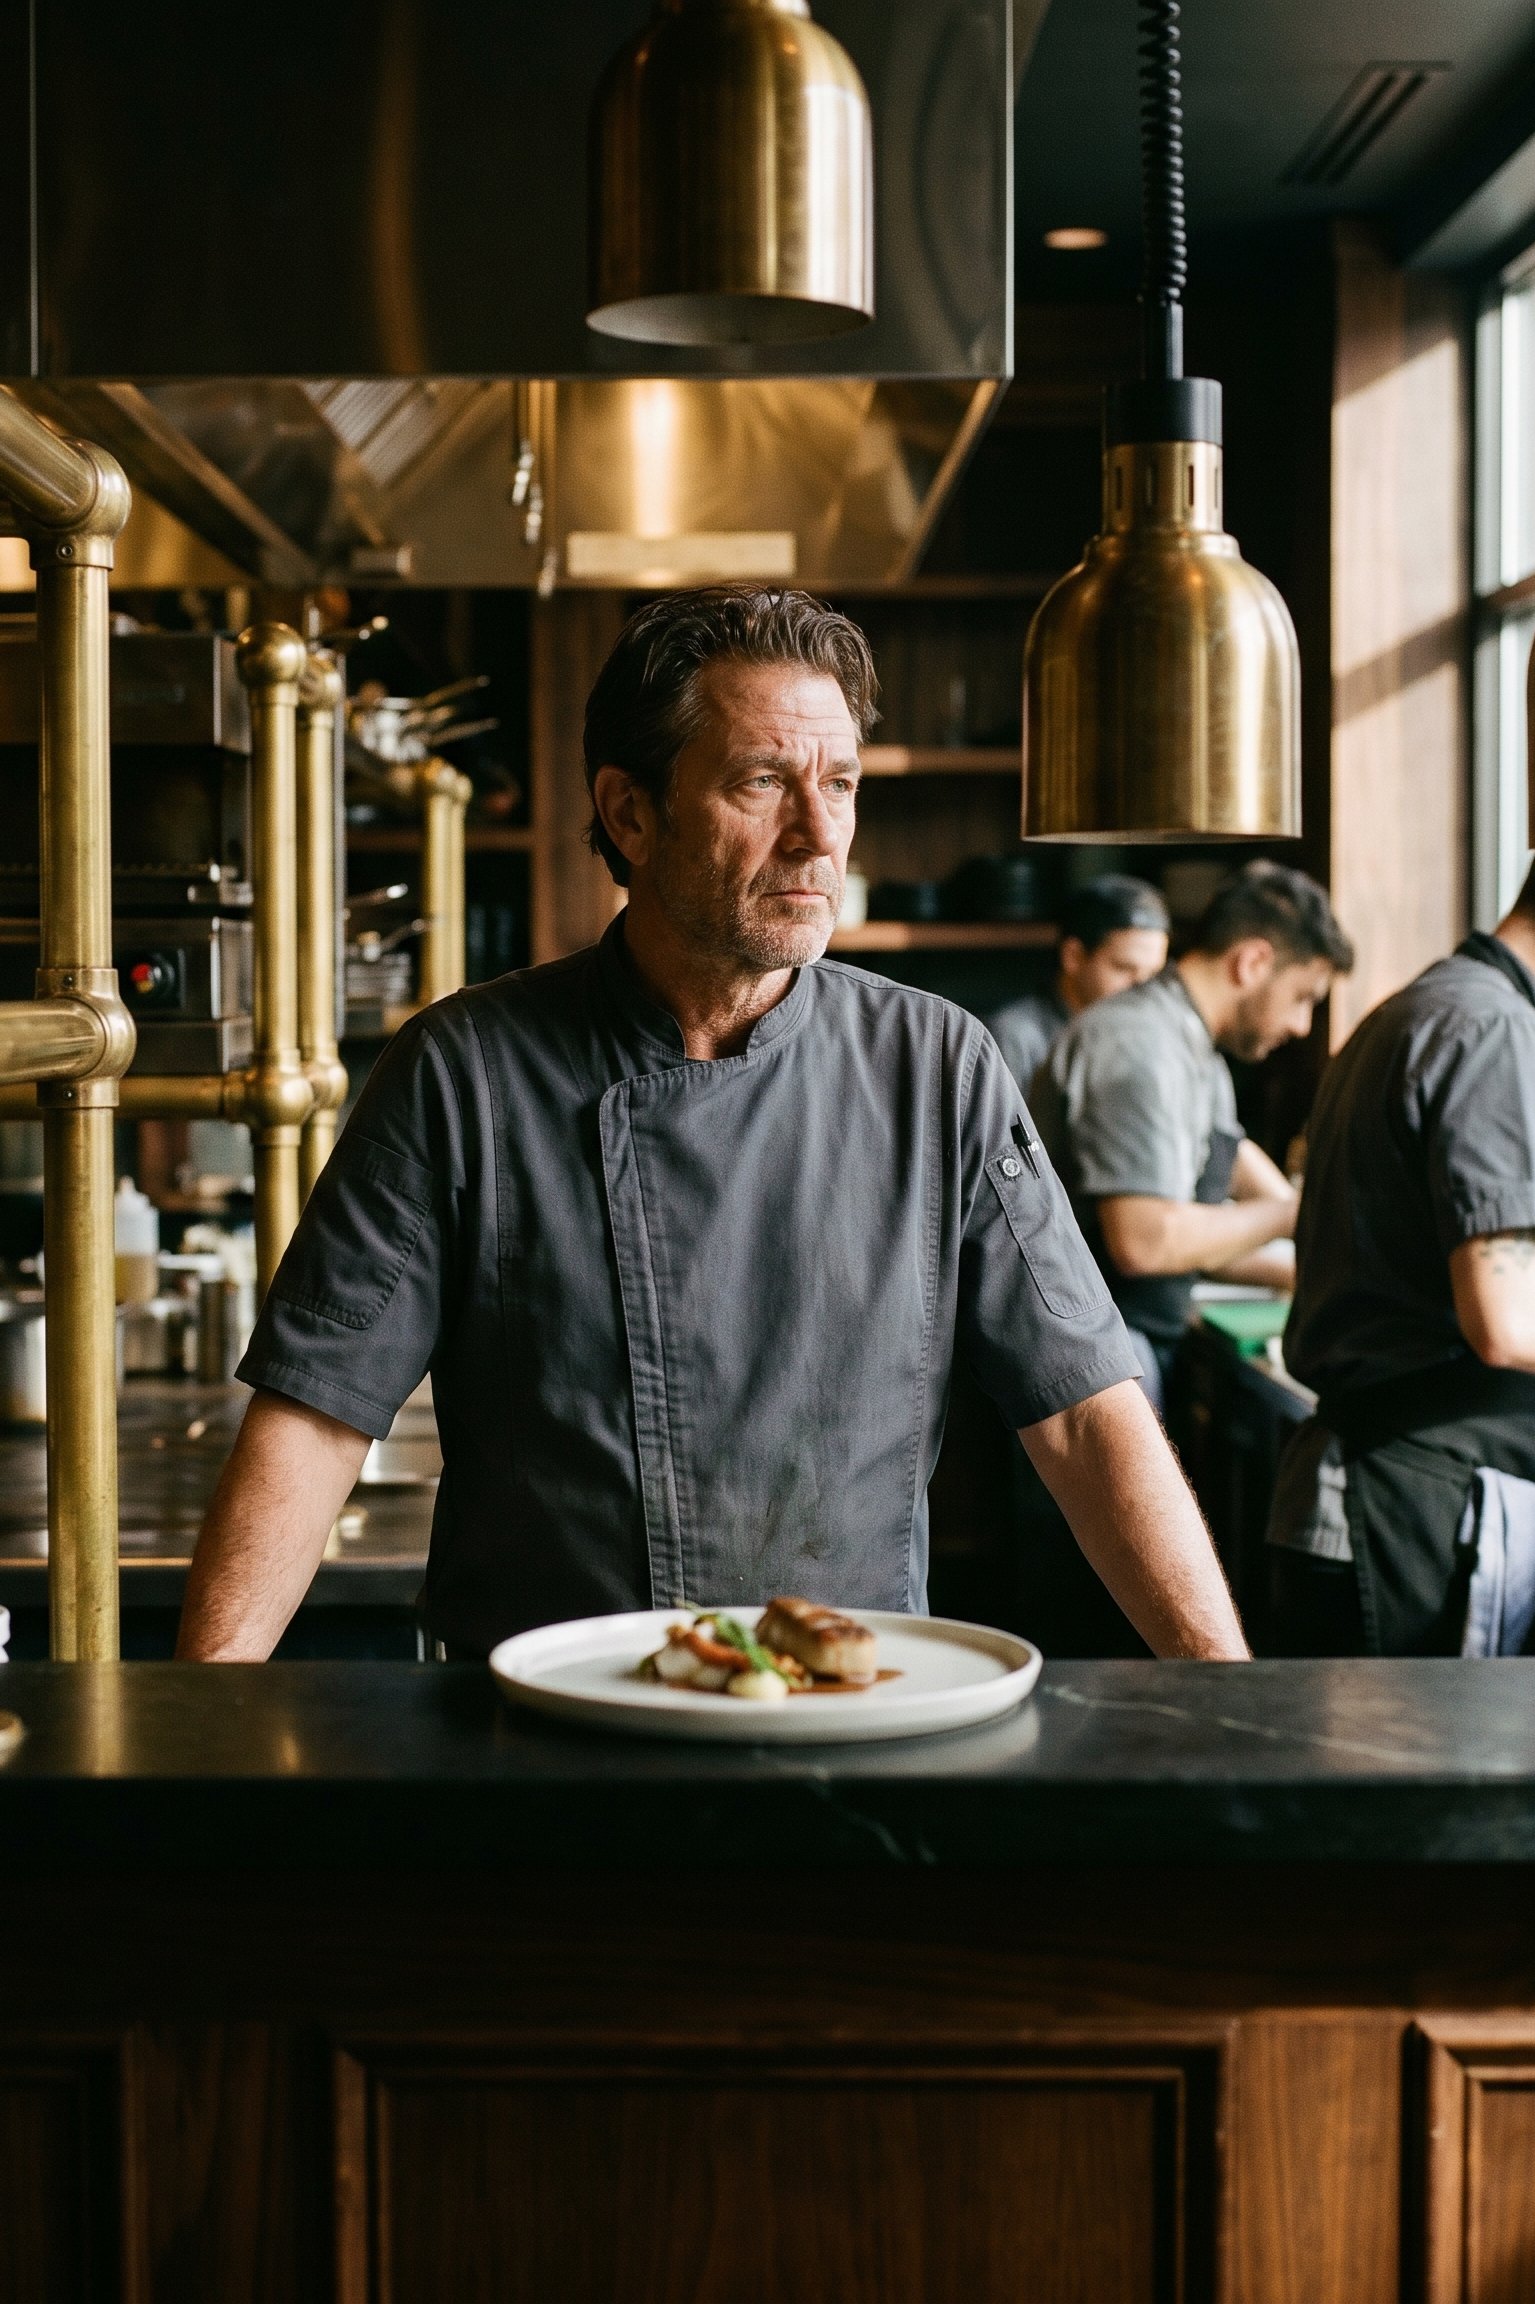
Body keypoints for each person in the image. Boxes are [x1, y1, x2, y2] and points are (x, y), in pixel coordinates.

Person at [177, 588, 1248, 1662]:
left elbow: (1083, 1411)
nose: (818, 835)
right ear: (630, 814)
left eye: (840, 784)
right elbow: (315, 1419)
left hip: (847, 1708)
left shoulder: (937, 1066)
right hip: (538, 1722)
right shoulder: (463, 1071)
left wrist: (1224, 1690)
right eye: (761, 782)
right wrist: (205, 1718)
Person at [1263, 851, 1535, 1659]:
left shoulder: (1421, 1008)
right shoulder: (1502, 1034)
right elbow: (1511, 1317)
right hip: (1408, 1513)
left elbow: (1416, 1306)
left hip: (1361, 1493)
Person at [1028, 862, 1354, 1408]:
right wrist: (1296, 1213)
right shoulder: (1139, 1044)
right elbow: (1146, 1241)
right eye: (1303, 997)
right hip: (1085, 1360)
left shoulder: (1198, 1053)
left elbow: (1206, 1224)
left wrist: (1317, 1252)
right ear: (1252, 963)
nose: (1301, 1025)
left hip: (1127, 1344)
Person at [985, 874, 1171, 1094]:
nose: (1143, 988)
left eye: (1153, 973)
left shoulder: (1155, 1034)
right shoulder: (1013, 1039)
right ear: (1073, 956)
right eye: (1124, 968)